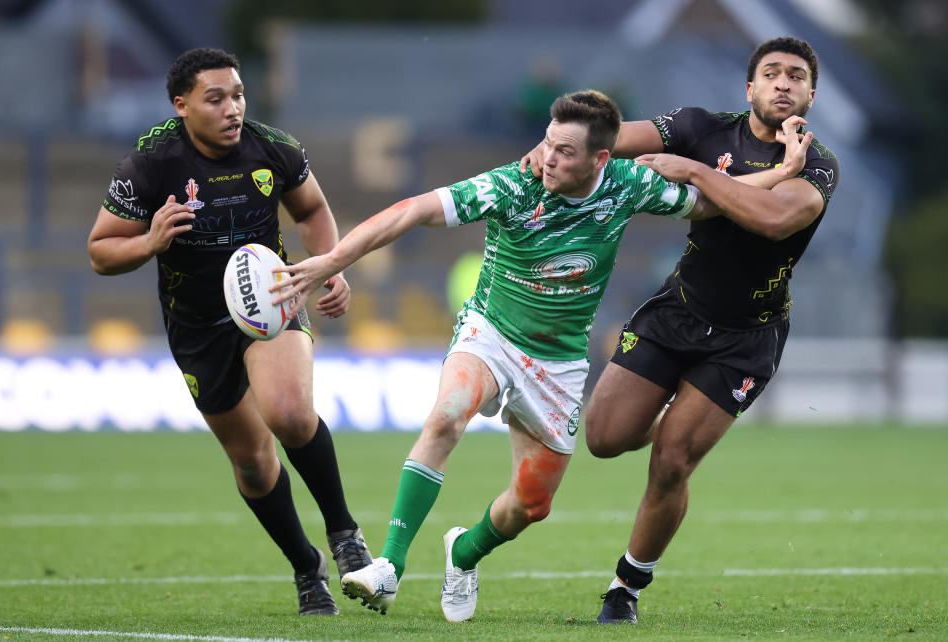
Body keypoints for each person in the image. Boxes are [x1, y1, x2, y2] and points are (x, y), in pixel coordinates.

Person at [270, 90, 711, 622]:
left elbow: (711, 203)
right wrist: (332, 260)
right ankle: (389, 565)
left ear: (600, 159)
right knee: (447, 415)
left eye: (565, 152)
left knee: (531, 505)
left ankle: (464, 552)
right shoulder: (512, 185)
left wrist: (780, 184)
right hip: (491, 334)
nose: (548, 158)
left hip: (559, 364)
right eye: (548, 144)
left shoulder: (628, 185)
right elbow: (413, 211)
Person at [521, 37, 839, 625]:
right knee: (606, 437)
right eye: (771, 73)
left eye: (796, 76)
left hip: (747, 336)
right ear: (750, 88)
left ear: (811, 95)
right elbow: (608, 136)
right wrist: (551, 147)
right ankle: (677, 409)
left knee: (671, 461)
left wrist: (692, 171)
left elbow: (773, 219)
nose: (783, 83)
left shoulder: (817, 164)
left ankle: (625, 588)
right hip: (677, 310)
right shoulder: (700, 126)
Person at [86, 47, 371, 616]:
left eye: (238, 94)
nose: (231, 107)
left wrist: (329, 265)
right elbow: (100, 251)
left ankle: (344, 535)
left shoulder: (275, 149)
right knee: (252, 461)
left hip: (271, 299)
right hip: (196, 325)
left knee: (289, 413)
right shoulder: (150, 162)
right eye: (215, 98)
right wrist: (148, 242)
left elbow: (312, 210)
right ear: (182, 104)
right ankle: (306, 567)